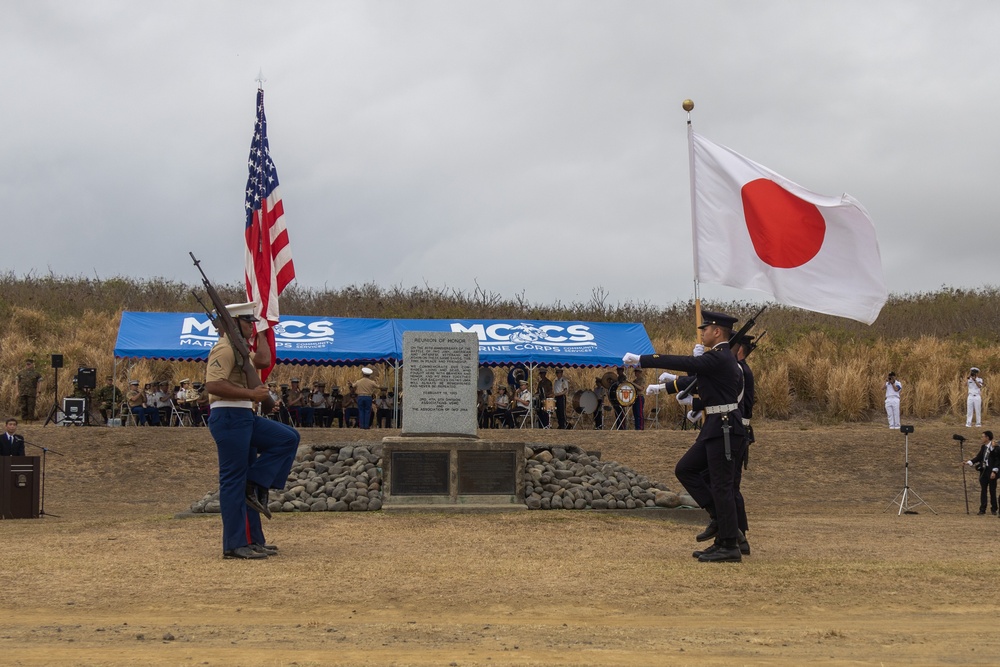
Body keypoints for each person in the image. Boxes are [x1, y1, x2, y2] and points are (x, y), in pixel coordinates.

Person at [624, 310, 746, 563]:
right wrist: (673, 386)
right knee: (686, 469)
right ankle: (719, 521)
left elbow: (687, 364)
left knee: (722, 487)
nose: (702, 333)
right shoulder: (719, 358)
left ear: (717, 332)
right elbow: (697, 378)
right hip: (715, 425)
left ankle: (729, 544)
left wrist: (642, 360)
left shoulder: (721, 357)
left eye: (706, 329)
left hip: (723, 427)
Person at [204, 301, 299, 560]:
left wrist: (261, 332)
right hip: (228, 416)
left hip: (243, 415)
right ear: (233, 323)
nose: (251, 326)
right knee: (233, 481)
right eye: (248, 322)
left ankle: (255, 490)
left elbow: (264, 359)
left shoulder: (240, 349)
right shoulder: (223, 349)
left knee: (288, 438)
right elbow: (212, 385)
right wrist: (251, 394)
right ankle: (235, 544)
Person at [965, 430, 1000, 515]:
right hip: (984, 471)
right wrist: (970, 462)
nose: (981, 438)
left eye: (983, 436)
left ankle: (994, 508)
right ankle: (982, 509)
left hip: (991, 471)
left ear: (987, 437)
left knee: (992, 490)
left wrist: (994, 471)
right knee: (983, 490)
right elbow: (979, 457)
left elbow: (998, 460)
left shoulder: (995, 447)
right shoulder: (983, 447)